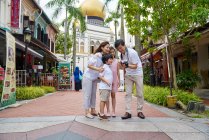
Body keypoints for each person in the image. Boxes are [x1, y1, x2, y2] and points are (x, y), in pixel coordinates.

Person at [114, 39, 145, 119]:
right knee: (127, 93)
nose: (120, 50)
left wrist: (127, 65)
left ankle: (139, 111)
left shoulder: (132, 52)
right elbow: (123, 67)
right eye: (118, 49)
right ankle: (128, 112)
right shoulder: (121, 55)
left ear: (124, 45)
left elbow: (135, 66)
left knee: (140, 93)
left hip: (137, 74)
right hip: (128, 74)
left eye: (121, 48)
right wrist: (122, 67)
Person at [82, 41, 110, 119]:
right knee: (88, 94)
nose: (108, 49)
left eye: (109, 47)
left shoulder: (104, 56)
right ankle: (87, 112)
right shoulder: (97, 55)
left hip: (94, 78)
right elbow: (89, 65)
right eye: (107, 47)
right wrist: (98, 69)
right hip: (88, 77)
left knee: (93, 94)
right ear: (102, 47)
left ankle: (93, 110)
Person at [98, 54, 113, 120]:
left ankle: (102, 113)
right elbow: (100, 76)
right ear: (106, 60)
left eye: (111, 59)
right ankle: (101, 114)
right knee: (103, 100)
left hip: (107, 87)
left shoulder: (108, 67)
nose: (111, 60)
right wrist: (107, 81)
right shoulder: (104, 67)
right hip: (104, 87)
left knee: (105, 100)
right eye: (110, 59)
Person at [106, 47, 120, 117]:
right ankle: (108, 111)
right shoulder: (107, 61)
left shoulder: (117, 61)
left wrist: (119, 80)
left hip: (114, 80)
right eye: (111, 52)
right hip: (108, 80)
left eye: (113, 52)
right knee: (107, 96)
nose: (112, 53)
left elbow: (117, 71)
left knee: (113, 95)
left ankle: (113, 111)